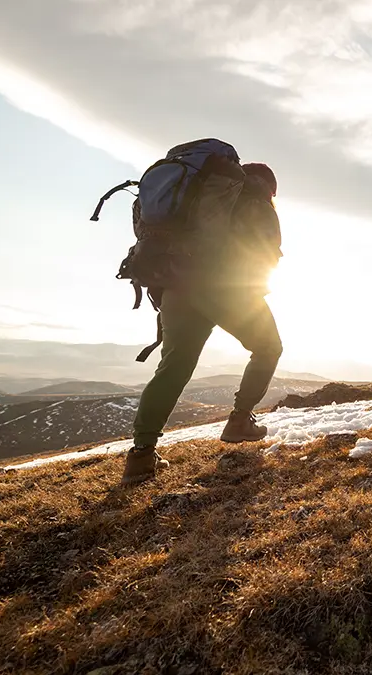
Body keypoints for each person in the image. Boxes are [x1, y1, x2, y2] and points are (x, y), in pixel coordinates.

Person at [121, 162, 284, 485]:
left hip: (175, 289)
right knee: (268, 347)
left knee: (173, 367)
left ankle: (141, 453)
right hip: (225, 288)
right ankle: (239, 421)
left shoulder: (193, 199)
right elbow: (267, 254)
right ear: (268, 186)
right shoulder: (254, 201)